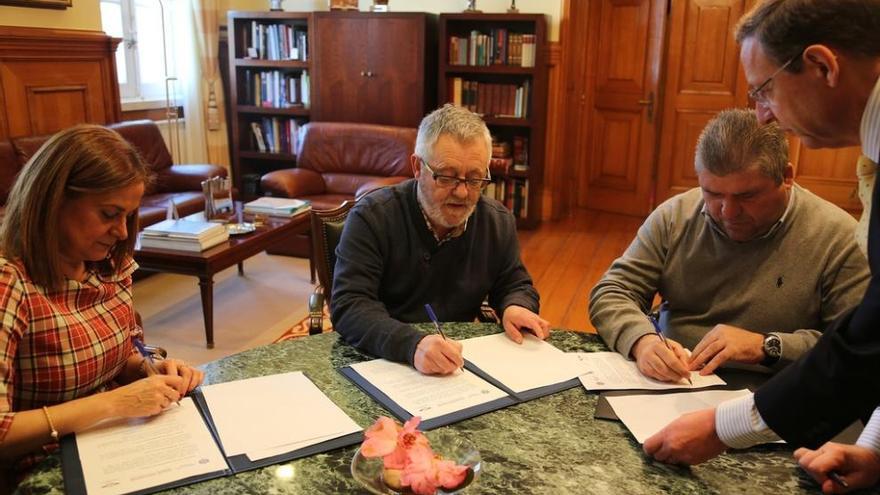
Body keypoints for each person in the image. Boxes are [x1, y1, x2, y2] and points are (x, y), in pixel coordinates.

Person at [644, 2, 880, 492]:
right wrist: (876, 448)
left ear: (822, 66)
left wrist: (721, 427)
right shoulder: (675, 214)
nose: (762, 113)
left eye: (765, 89)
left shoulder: (830, 231)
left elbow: (864, 340)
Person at [590, 108, 868, 383]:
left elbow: (855, 348)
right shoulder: (675, 216)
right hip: (677, 382)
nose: (727, 212)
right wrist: (643, 341)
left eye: (747, 196)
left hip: (780, 393)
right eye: (712, 193)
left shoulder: (840, 237)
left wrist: (766, 346)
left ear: (786, 177)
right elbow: (613, 291)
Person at [0, 125, 203, 483]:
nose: (123, 232)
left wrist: (147, 369)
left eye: (128, 215)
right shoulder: (10, 282)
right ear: (53, 201)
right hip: (44, 469)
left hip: (113, 443)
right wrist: (116, 403)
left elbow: (115, 355)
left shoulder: (107, 265)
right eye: (109, 214)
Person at [331, 104, 550, 375]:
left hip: (452, 365)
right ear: (416, 167)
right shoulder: (373, 217)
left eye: (474, 179)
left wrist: (516, 305)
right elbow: (350, 305)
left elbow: (514, 283)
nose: (462, 193)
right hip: (380, 359)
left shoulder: (497, 221)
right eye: (447, 176)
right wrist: (412, 345)